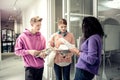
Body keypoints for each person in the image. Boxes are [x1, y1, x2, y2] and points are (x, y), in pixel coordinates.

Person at [15, 16, 46, 80]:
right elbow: (17, 51)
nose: (39, 27)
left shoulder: (42, 37)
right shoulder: (22, 37)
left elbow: (44, 50)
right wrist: (29, 52)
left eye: (40, 25)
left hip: (40, 66)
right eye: (37, 25)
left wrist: (44, 54)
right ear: (32, 25)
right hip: (29, 67)